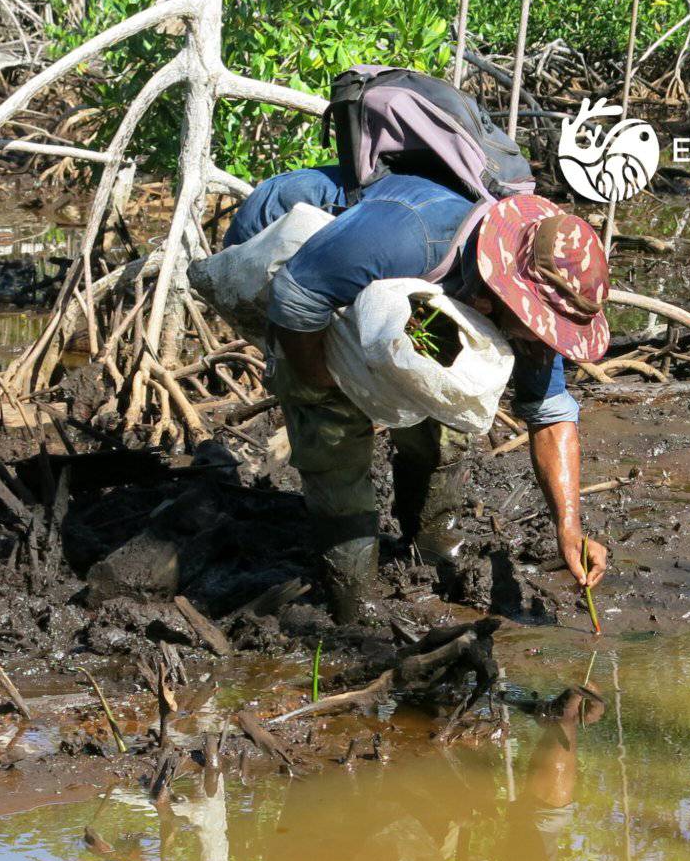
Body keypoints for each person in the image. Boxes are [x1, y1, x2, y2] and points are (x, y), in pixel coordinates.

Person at [223, 166, 611, 624]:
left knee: (446, 413)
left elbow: (550, 414)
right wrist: (319, 378)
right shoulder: (413, 234)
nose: (543, 340)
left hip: (384, 290)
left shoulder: (528, 317)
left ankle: (431, 553)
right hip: (288, 249)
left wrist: (569, 527)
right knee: (332, 427)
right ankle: (354, 599)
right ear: (503, 294)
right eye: (540, 325)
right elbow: (295, 296)